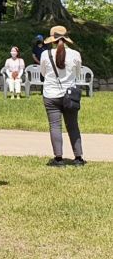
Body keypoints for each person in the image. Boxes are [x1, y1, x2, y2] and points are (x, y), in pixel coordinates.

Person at [39, 26, 85, 167]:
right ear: (66, 39)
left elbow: (43, 73)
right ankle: (78, 158)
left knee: (55, 126)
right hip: (70, 95)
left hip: (51, 94)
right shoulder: (75, 54)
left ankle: (58, 159)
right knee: (73, 126)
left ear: (52, 39)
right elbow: (77, 74)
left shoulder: (45, 55)